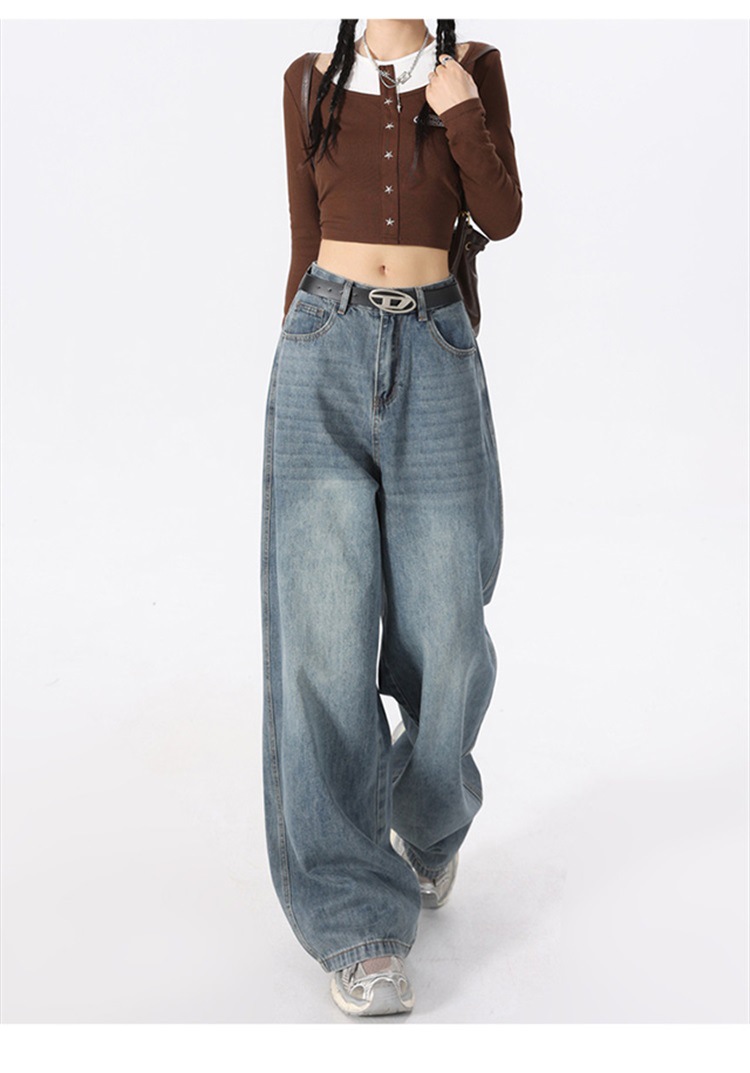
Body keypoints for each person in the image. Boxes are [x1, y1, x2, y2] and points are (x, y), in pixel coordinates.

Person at [260, 18, 522, 1017]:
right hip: (320, 347)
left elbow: (501, 213)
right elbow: (302, 239)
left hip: (438, 355)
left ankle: (430, 816)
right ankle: (356, 920)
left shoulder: (474, 70)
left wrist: (460, 113)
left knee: (448, 633)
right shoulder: (305, 81)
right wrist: (297, 363)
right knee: (323, 645)